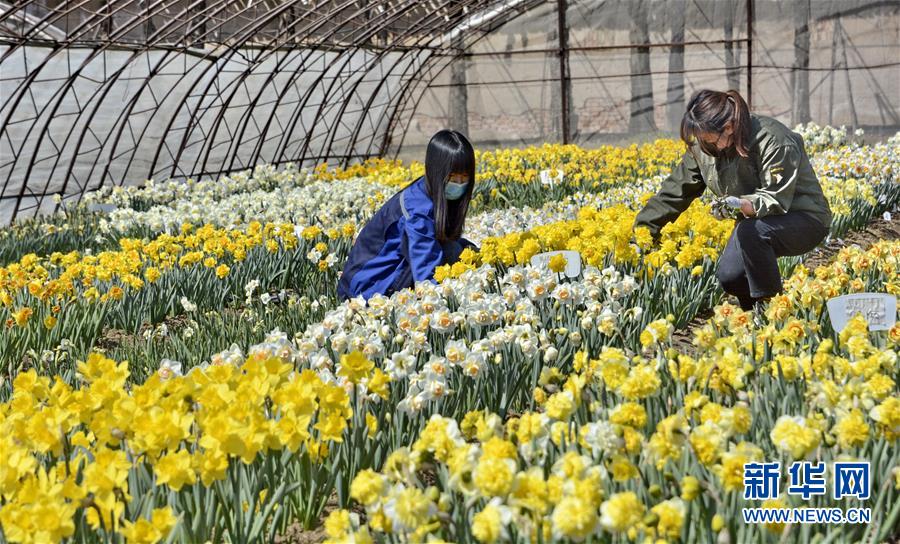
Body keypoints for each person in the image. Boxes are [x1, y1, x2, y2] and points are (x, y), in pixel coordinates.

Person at [634, 89, 832, 312]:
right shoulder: (705, 147)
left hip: (803, 219)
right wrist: (642, 230)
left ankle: (775, 312)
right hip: (754, 224)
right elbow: (674, 193)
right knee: (731, 277)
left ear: (728, 127)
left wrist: (741, 205)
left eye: (707, 138)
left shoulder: (772, 139)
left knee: (751, 232)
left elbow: (776, 198)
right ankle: (754, 320)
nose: (701, 144)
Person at [338, 129, 478, 300]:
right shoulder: (417, 212)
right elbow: (427, 274)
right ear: (437, 172)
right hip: (367, 289)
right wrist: (447, 302)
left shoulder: (428, 189)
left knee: (459, 250)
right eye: (453, 177)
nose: (459, 184)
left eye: (465, 177)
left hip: (378, 279)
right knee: (452, 252)